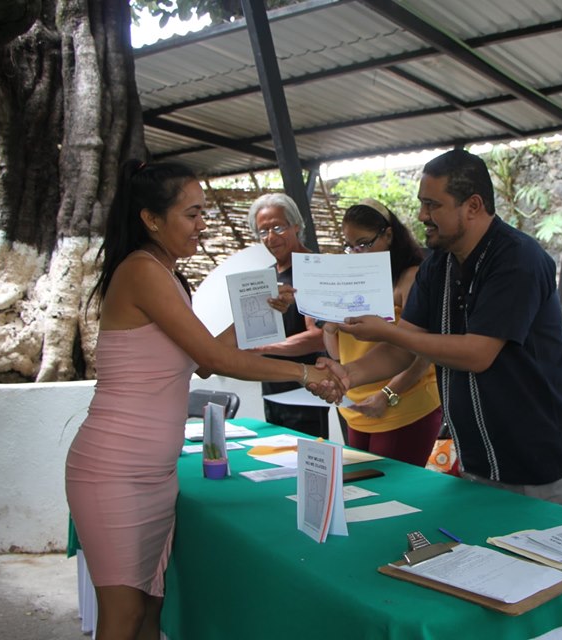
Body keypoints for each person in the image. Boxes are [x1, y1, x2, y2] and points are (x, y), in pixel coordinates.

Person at [65, 161, 338, 640]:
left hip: (153, 472)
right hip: (116, 470)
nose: (202, 225)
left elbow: (203, 362)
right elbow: (214, 356)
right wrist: (306, 372)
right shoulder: (141, 271)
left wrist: (262, 309)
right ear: (152, 219)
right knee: (124, 615)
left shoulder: (166, 275)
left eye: (203, 213)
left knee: (151, 612)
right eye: (192, 215)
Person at [312, 149, 562, 508]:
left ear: (472, 206)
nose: (422, 215)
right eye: (422, 204)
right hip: (477, 460)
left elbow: (477, 353)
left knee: (549, 563)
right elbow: (403, 349)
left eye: (432, 205)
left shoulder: (517, 260)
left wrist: (387, 331)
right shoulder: (436, 267)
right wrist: (348, 373)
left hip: (540, 462)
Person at [320, 198, 442, 466]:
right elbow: (343, 353)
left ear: (388, 235)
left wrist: (387, 395)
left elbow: (424, 352)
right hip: (358, 406)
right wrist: (329, 328)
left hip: (403, 404)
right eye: (349, 247)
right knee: (364, 494)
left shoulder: (411, 277)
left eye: (363, 244)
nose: (356, 253)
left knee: (394, 498)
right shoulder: (348, 281)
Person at [247, 193, 330, 438]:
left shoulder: (313, 268)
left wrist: (261, 348)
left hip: (305, 390)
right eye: (263, 231)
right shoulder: (267, 275)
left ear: (296, 225)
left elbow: (318, 337)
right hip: (272, 387)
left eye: (278, 227)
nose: (271, 237)